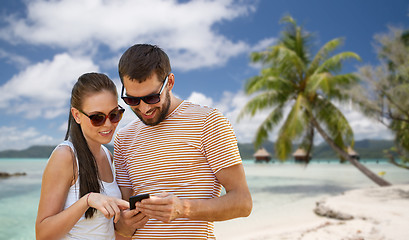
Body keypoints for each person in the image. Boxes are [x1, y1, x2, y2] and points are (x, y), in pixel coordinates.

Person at [114, 44, 253, 239]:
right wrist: (122, 224)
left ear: (170, 82)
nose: (144, 109)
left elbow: (243, 202)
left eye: (152, 97)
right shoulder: (123, 138)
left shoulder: (208, 121)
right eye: (133, 100)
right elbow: (123, 218)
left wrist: (183, 208)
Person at [35, 73, 147, 240]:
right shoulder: (65, 156)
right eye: (97, 118)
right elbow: (43, 234)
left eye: (114, 114)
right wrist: (87, 200)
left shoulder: (108, 156)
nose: (108, 124)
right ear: (77, 115)